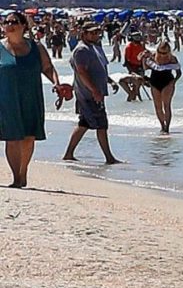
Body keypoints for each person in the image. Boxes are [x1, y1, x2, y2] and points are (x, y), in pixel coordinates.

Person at [1, 9, 66, 188]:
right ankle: (16, 178)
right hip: (7, 99)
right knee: (12, 137)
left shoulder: (36, 47)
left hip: (31, 96)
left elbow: (48, 68)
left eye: (14, 22)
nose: (10, 25)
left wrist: (57, 83)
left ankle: (23, 173)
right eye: (6, 22)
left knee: (29, 137)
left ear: (24, 25)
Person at [63, 25, 118, 166]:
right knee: (98, 125)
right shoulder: (81, 50)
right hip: (88, 95)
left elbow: (99, 69)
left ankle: (69, 154)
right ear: (84, 34)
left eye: (97, 32)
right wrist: (94, 90)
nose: (96, 35)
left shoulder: (94, 48)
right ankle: (109, 157)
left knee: (87, 124)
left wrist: (110, 81)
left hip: (95, 93)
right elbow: (81, 71)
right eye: (92, 33)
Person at [146, 40, 182, 133]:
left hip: (167, 82)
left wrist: (174, 82)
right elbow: (145, 68)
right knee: (157, 106)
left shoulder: (172, 59)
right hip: (154, 82)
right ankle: (162, 125)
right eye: (160, 52)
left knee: (166, 105)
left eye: (165, 53)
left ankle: (167, 128)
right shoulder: (153, 57)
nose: (162, 55)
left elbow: (179, 73)